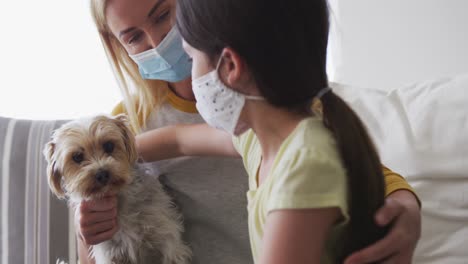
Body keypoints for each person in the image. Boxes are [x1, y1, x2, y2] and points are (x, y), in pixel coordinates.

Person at [76, 0, 421, 263]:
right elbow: (178, 139)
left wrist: (405, 202)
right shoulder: (118, 129)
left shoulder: (281, 113)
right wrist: (106, 171)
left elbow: (350, 163)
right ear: (116, 45)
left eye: (163, 15)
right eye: (133, 36)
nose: (158, 41)